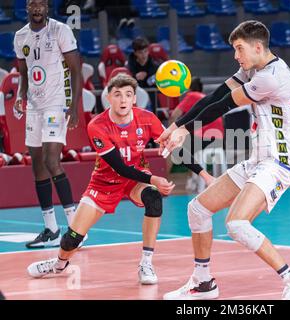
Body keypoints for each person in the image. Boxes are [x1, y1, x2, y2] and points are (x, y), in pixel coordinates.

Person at [157, 20, 290, 300]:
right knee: (198, 210)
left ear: (257, 47)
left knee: (237, 224)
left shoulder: (271, 77)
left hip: (278, 165)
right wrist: (176, 126)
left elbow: (223, 106)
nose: (236, 55)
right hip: (257, 161)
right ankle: (203, 283)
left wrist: (184, 130)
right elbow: (215, 95)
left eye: (239, 49)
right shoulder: (253, 69)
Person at [26, 74, 176, 284]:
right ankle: (58, 264)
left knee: (153, 199)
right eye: (117, 95)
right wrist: (153, 179)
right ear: (108, 98)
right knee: (72, 239)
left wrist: (205, 175)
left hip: (135, 181)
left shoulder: (147, 118)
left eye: (128, 95)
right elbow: (119, 167)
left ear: (134, 98)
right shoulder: (97, 125)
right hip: (104, 183)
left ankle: (146, 263)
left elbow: (174, 147)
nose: (123, 100)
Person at [13, 0, 83, 249]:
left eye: (42, 3)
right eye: (33, 3)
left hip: (56, 104)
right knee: (38, 167)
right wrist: (21, 95)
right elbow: (23, 71)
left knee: (52, 161)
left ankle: (76, 229)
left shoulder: (60, 30)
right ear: (27, 7)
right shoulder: (20, 36)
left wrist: (74, 106)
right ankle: (51, 229)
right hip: (34, 107)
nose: (37, 8)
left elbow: (76, 70)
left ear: (47, 7)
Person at [169, 77, 224, 192]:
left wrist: (170, 132)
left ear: (188, 88)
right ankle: (193, 179)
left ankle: (169, 178)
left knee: (174, 146)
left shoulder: (191, 96)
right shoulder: (205, 97)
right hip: (220, 139)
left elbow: (174, 115)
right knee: (188, 144)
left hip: (205, 138)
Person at [127, 37, 159, 112]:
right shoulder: (129, 66)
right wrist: (134, 77)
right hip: (136, 100)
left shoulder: (155, 65)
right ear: (135, 53)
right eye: (140, 52)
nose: (144, 55)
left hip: (152, 99)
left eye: (145, 51)